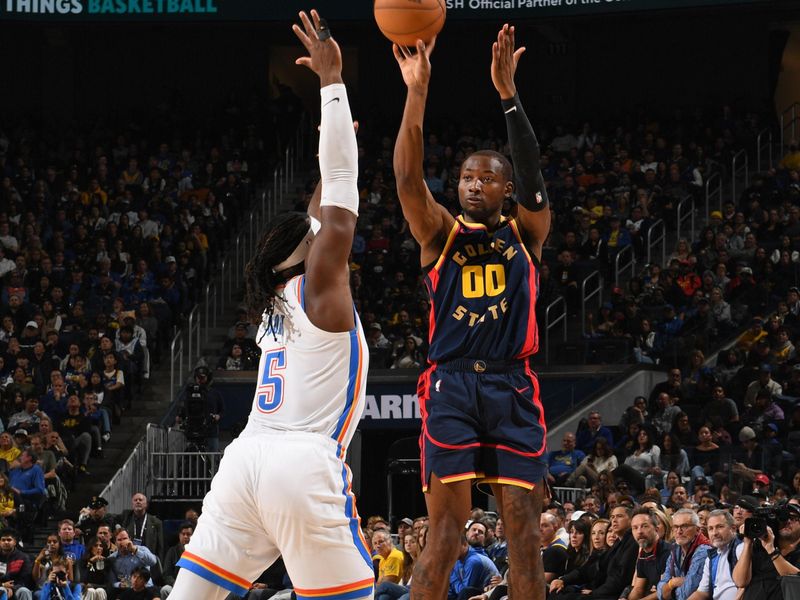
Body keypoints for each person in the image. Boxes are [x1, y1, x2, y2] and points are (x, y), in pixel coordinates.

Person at [169, 11, 373, 600]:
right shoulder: (320, 287)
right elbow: (336, 206)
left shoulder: (274, 304)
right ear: (307, 253)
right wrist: (332, 87)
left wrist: (335, 149)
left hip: (244, 460)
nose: (317, 235)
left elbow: (317, 214)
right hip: (302, 463)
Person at [392, 23, 550, 600]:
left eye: (487, 177)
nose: (473, 184)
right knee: (444, 534)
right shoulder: (440, 234)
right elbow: (408, 178)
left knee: (525, 538)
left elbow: (532, 169)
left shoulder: (527, 231)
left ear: (507, 191)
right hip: (453, 386)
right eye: (465, 176)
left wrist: (508, 95)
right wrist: (417, 90)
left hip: (513, 386)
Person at [687, 510, 743, 600]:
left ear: (733, 528)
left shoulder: (741, 548)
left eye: (719, 527)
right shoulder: (711, 557)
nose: (714, 533)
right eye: (710, 528)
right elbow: (702, 592)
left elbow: (746, 585)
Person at [656, 509, 711, 600]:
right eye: (676, 527)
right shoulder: (675, 549)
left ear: (697, 530)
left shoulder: (704, 551)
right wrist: (672, 583)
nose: (679, 531)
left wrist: (669, 591)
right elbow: (660, 593)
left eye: (684, 526)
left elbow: (687, 594)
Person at [629, 509, 672, 600]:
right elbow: (638, 589)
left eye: (644, 526)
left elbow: (665, 591)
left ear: (656, 529)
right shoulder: (643, 555)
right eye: (635, 528)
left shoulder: (668, 552)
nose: (639, 531)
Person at [119, 493, 163, 561]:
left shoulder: (156, 522)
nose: (138, 501)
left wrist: (159, 564)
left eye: (140, 500)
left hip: (148, 560)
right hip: (130, 559)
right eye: (135, 500)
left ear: (146, 504)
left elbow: (160, 547)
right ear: (132, 504)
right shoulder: (126, 519)